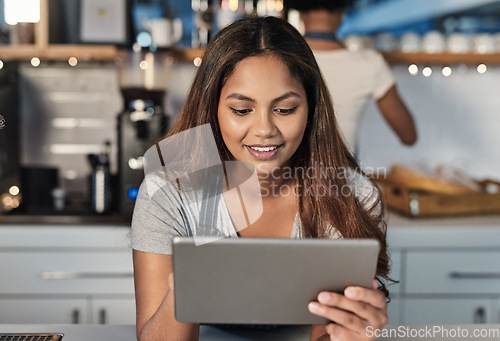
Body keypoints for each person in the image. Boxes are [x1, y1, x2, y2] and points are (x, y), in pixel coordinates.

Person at [132, 16, 391, 341]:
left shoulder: (350, 195)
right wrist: (185, 288)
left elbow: (328, 333)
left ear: (311, 110)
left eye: (285, 109)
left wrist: (352, 334)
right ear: (212, 109)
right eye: (242, 110)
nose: (265, 130)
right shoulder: (169, 193)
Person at [284, 0, 417, 153]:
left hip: (289, 174)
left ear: (299, 11)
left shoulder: (282, 59)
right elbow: (409, 136)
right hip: (343, 174)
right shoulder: (370, 63)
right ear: (342, 13)